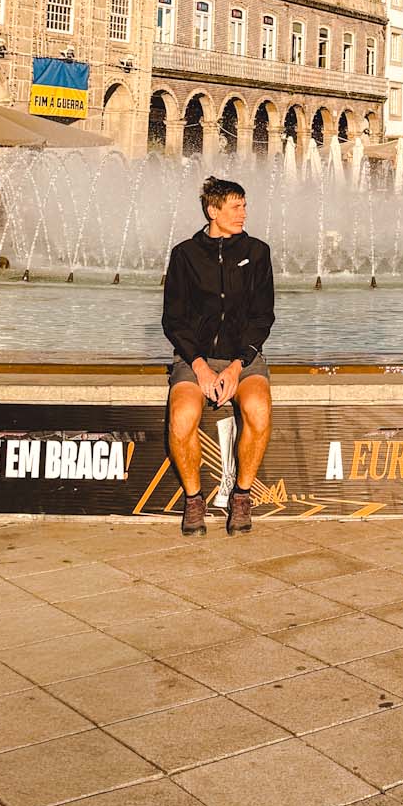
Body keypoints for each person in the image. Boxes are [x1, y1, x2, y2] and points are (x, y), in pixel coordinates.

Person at [162, 176, 274, 538]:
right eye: (235, 206)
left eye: (244, 205)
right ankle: (194, 499)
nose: (244, 213)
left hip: (244, 359)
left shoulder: (258, 252)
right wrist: (199, 366)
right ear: (213, 210)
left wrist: (238, 366)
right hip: (195, 359)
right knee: (182, 417)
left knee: (258, 409)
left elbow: (263, 317)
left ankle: (242, 495)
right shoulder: (185, 255)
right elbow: (173, 319)